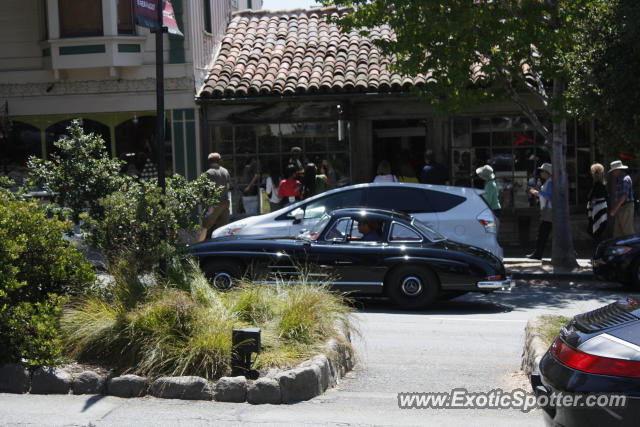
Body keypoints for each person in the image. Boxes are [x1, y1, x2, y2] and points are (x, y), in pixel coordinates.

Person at [197, 152, 231, 242]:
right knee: (223, 229)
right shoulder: (225, 171)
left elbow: (206, 191)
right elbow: (228, 187)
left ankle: (197, 249)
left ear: (209, 161)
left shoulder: (208, 173)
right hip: (225, 203)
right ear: (218, 161)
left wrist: (209, 206)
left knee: (205, 227)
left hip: (214, 204)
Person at [527, 163, 553, 260]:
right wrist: (538, 192)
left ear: (547, 173)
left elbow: (548, 196)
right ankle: (537, 253)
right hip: (547, 210)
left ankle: (537, 254)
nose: (541, 173)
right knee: (543, 233)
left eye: (542, 171)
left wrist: (537, 192)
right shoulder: (548, 182)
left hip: (548, 211)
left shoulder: (550, 182)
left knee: (542, 233)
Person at [609, 160, 635, 237]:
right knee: (618, 232)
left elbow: (624, 196)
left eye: (613, 171)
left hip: (626, 207)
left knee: (628, 231)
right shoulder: (620, 179)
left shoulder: (625, 179)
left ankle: (634, 248)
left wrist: (614, 209)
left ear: (617, 170)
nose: (612, 173)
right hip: (621, 207)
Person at [586, 163, 608, 241]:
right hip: (602, 207)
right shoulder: (603, 184)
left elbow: (589, 197)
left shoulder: (597, 184)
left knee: (595, 229)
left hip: (597, 208)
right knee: (598, 227)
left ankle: (598, 246)